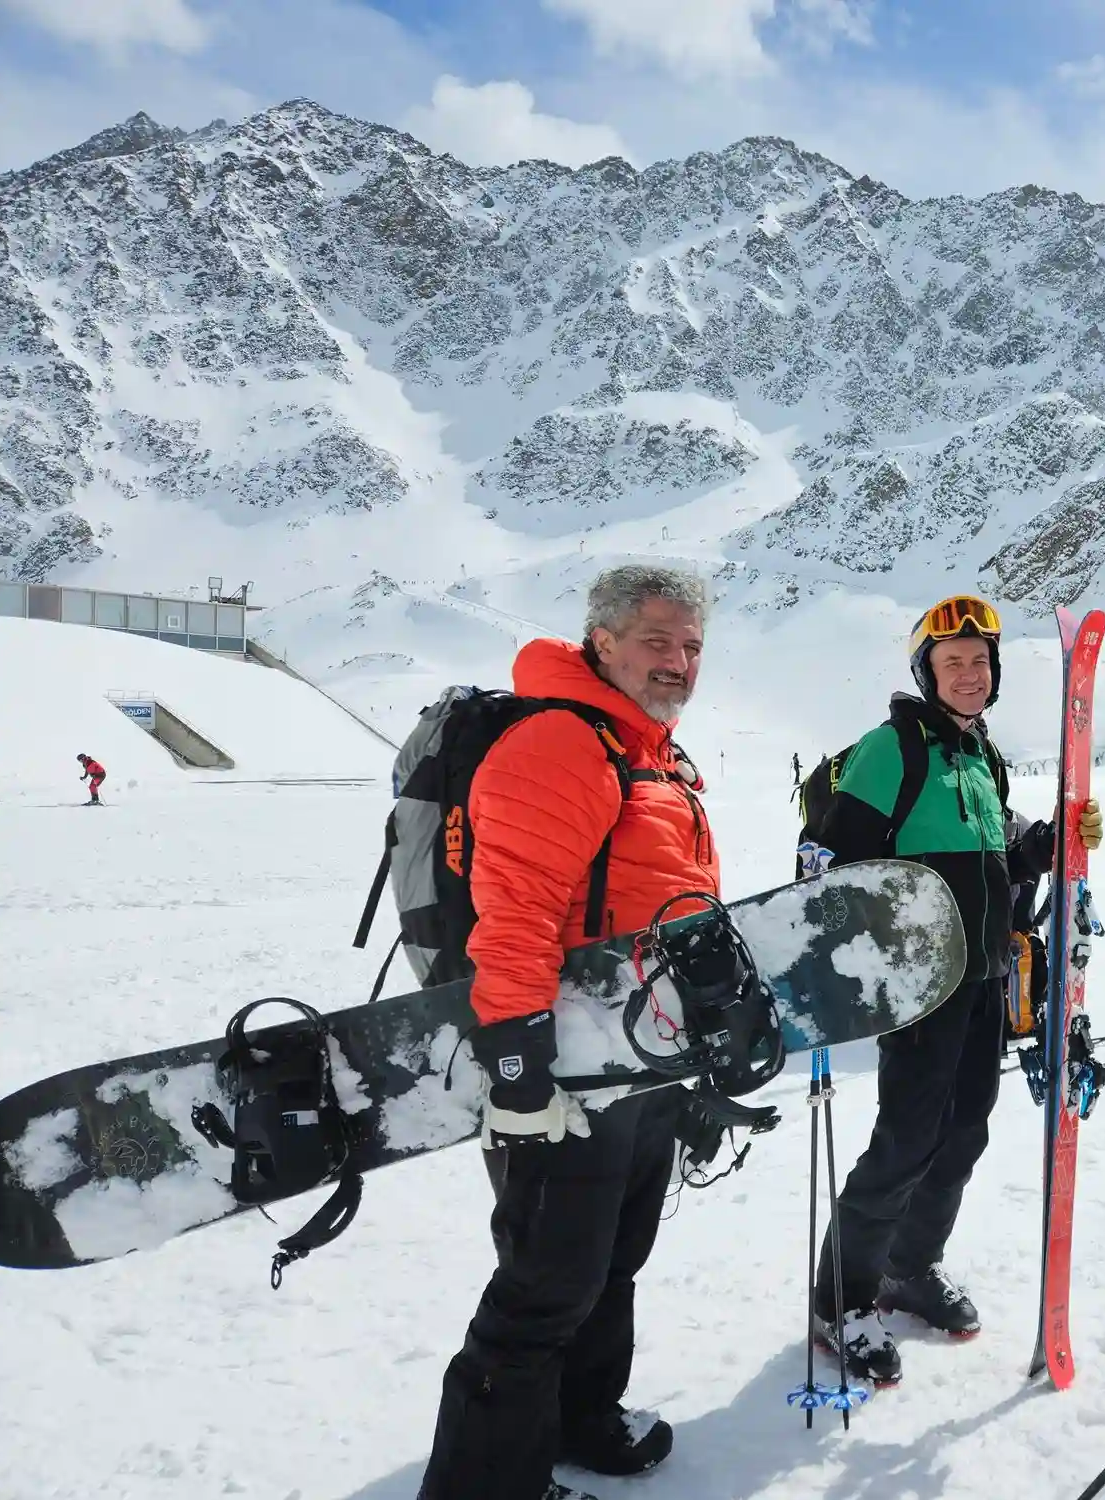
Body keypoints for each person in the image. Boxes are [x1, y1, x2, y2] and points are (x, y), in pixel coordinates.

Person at [419, 565, 720, 1500]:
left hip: (636, 1057)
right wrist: (517, 1069)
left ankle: (581, 1417)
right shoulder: (561, 741)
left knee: (610, 1263)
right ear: (603, 642)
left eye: (692, 646)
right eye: (657, 641)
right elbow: (512, 917)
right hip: (565, 1070)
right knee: (545, 1285)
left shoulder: (653, 753)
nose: (678, 662)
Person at [807, 595, 1102, 1386]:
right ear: (926, 673)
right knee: (905, 1142)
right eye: (952, 663)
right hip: (919, 986)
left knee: (963, 1133)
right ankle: (842, 1297)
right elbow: (834, 864)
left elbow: (994, 853)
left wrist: (1051, 843)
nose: (968, 674)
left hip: (983, 981)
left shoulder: (981, 758)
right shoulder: (891, 750)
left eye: (979, 662)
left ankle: (911, 1265)